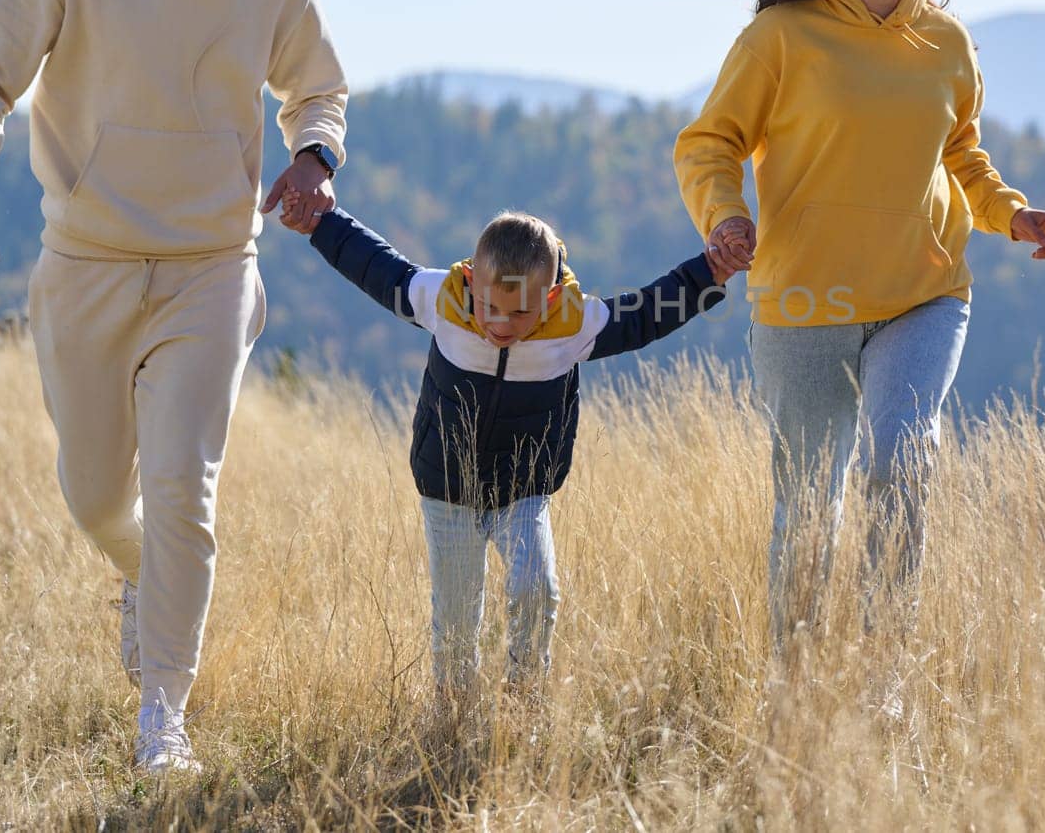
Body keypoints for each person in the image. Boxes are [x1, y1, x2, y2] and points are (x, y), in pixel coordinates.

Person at [0, 0, 349, 774]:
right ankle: (136, 572)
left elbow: (318, 87)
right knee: (93, 496)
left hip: (213, 264)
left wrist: (315, 156)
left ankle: (165, 714)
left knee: (182, 487)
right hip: (87, 266)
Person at [673, 0, 1045, 646]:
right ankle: (801, 691)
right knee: (812, 502)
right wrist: (723, 216)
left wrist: (1009, 214)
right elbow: (710, 141)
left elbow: (961, 155)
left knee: (900, 462)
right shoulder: (783, 36)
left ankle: (886, 679)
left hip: (922, 292)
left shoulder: (949, 42)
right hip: (804, 295)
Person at [281, 192, 729, 699]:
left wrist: (709, 273)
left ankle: (524, 700)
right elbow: (374, 266)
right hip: (447, 488)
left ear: (551, 300)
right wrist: (320, 221)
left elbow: (648, 314)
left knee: (538, 589)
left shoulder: (573, 326)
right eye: (490, 305)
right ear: (472, 281)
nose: (499, 324)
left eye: (520, 313)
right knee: (455, 616)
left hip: (522, 490)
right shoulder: (443, 300)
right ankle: (454, 711)